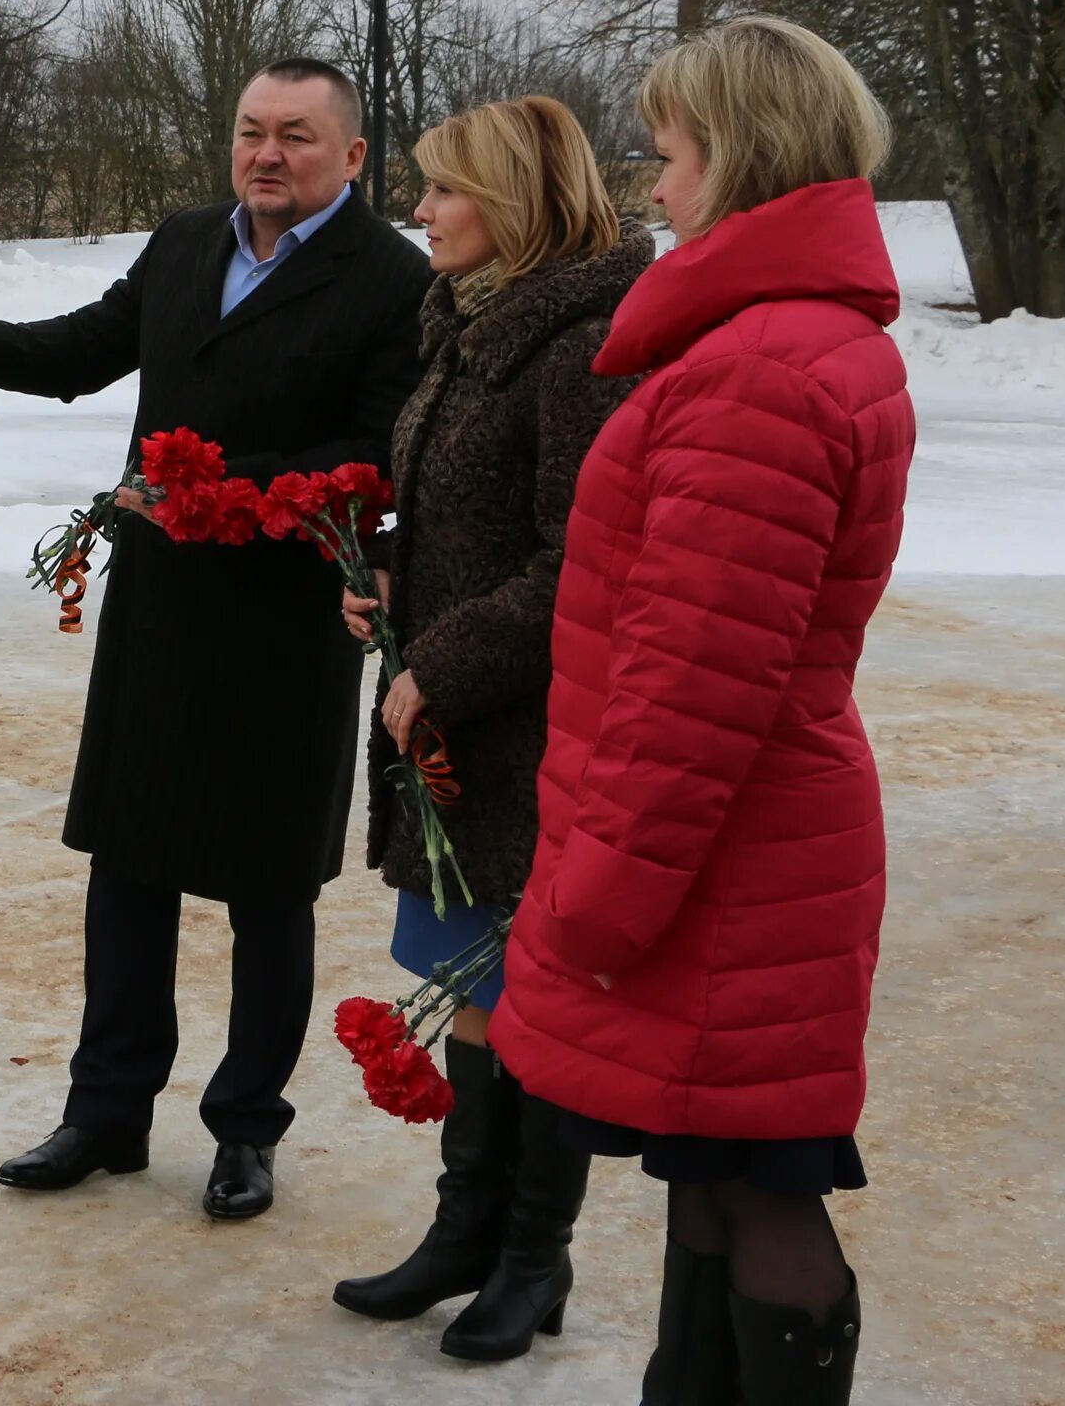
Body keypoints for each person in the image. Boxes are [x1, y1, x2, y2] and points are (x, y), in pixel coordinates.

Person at [0, 57, 430, 1222]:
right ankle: (107, 1111)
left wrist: (216, 488)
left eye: (299, 136)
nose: (268, 153)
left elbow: (376, 457)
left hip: (286, 618)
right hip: (162, 603)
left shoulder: (391, 279)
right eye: (251, 130)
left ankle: (244, 1130)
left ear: (355, 156)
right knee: (128, 868)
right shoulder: (184, 242)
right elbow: (86, 348)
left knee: (269, 889)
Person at [494, 16, 909, 1404]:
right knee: (717, 1178)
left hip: (729, 869)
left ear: (739, 156)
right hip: (747, 853)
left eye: (669, 155)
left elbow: (697, 685)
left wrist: (601, 891)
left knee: (763, 1190)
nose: (653, 188)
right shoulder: (783, 345)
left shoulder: (756, 373)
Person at [324, 97, 651, 1363]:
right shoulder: (465, 327)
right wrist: (391, 573)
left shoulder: (582, 346)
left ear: (512, 202)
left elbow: (587, 563)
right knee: (471, 987)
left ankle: (534, 1258)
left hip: (532, 730)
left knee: (533, 1000)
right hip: (456, 726)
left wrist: (443, 664)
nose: (419, 213)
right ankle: (465, 1233)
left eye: (443, 193)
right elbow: (462, 511)